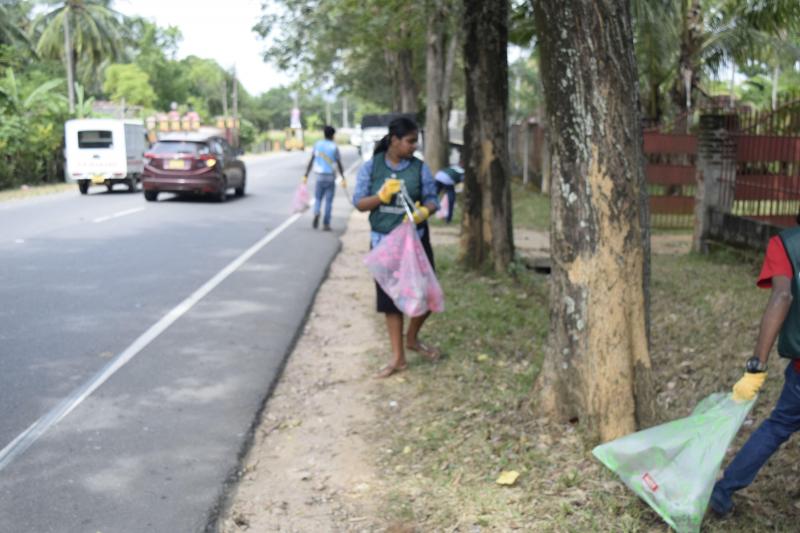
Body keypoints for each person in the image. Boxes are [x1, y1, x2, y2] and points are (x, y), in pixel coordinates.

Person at [709, 219, 800, 517]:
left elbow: (782, 295)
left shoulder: (786, 244)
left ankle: (723, 492)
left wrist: (756, 367)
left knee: (778, 426)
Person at [353, 117, 440, 378]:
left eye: (416, 141)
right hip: (385, 243)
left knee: (427, 294)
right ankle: (398, 357)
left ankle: (412, 338)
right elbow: (359, 203)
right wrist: (380, 197)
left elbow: (433, 200)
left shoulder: (419, 169)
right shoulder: (372, 167)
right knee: (390, 301)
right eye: (410, 141)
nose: (414, 146)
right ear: (394, 140)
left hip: (415, 242)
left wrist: (423, 212)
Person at [304, 125, 344, 231]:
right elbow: (339, 163)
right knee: (328, 201)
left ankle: (316, 212)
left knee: (318, 198)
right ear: (333, 135)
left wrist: (306, 174)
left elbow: (311, 160)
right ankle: (326, 224)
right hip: (330, 177)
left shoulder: (318, 144)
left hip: (319, 176)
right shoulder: (334, 146)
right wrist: (343, 177)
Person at [433, 156, 464, 223]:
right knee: (451, 199)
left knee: (433, 196)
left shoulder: (454, 167)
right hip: (448, 180)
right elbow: (462, 182)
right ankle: (448, 219)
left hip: (438, 175)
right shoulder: (462, 172)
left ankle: (429, 211)